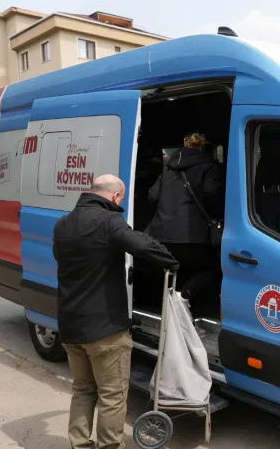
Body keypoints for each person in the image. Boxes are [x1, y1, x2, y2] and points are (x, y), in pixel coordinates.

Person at [53, 175, 178, 449]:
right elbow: (141, 245)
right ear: (115, 196)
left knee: (83, 389)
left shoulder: (63, 223)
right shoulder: (109, 221)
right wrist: (171, 261)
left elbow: (61, 259)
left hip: (70, 324)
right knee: (112, 395)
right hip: (105, 328)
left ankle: (79, 445)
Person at [145, 133, 225, 303]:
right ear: (203, 147)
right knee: (220, 268)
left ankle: (170, 305)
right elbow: (212, 195)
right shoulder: (209, 167)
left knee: (170, 271)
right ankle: (186, 295)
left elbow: (152, 196)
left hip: (162, 236)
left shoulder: (168, 168)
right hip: (194, 237)